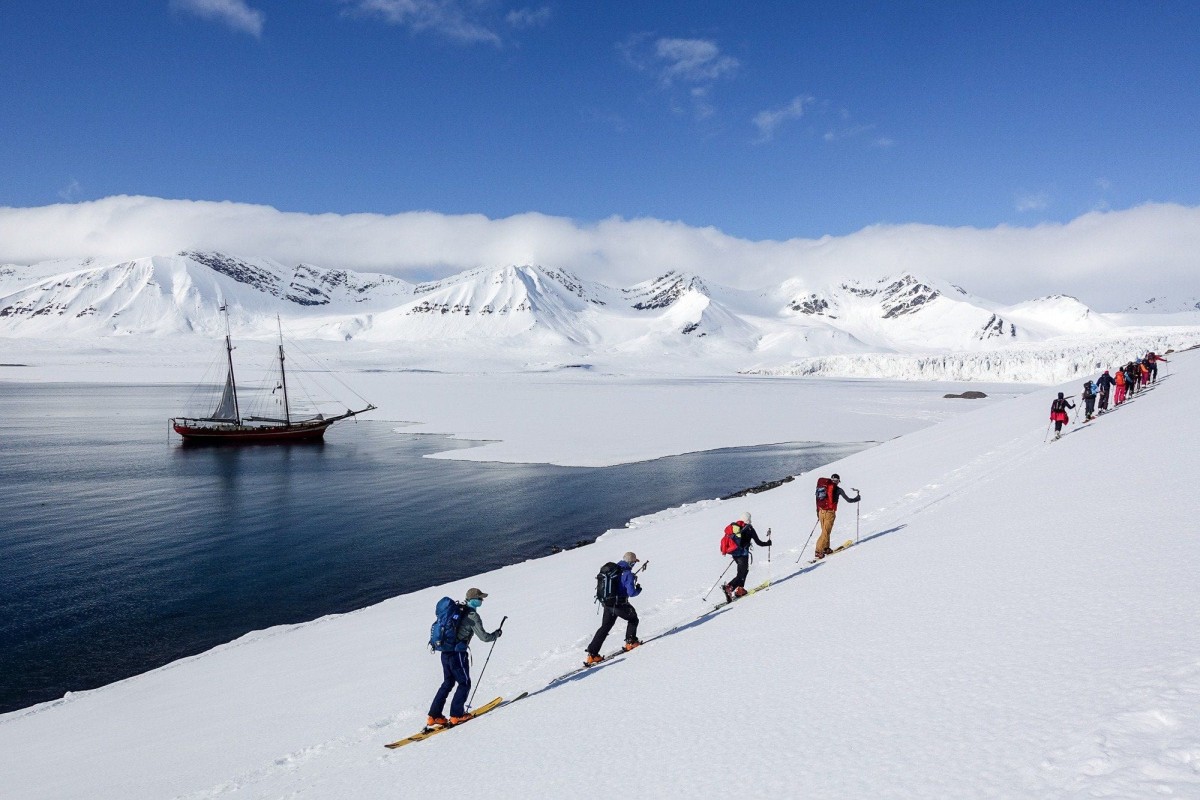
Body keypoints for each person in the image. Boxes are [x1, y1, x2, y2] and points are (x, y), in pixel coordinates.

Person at [427, 587, 502, 727]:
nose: (482, 601)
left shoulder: (459, 610)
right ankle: (457, 715)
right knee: (464, 683)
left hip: (446, 652)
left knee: (448, 683)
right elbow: (484, 637)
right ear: (473, 600)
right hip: (458, 654)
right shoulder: (472, 615)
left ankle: (434, 716)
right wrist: (496, 635)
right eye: (480, 598)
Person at [585, 552, 643, 666]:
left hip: (608, 604)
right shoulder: (627, 574)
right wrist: (638, 589)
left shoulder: (613, 570)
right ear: (631, 562)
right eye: (634, 562)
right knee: (633, 619)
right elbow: (631, 593)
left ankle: (592, 654)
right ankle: (631, 642)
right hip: (619, 604)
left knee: (605, 627)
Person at [721, 512, 772, 602]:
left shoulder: (734, 527)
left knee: (743, 571)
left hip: (734, 554)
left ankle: (740, 590)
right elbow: (758, 542)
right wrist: (767, 543)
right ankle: (729, 587)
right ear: (749, 519)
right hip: (743, 555)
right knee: (741, 574)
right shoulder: (749, 529)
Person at [814, 474, 860, 558]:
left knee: (825, 531)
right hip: (830, 513)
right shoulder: (838, 489)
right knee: (825, 532)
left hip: (821, 511)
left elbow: (817, 499)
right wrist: (857, 498)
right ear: (838, 481)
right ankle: (818, 551)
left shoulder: (823, 487)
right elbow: (849, 500)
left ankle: (826, 548)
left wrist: (818, 512)